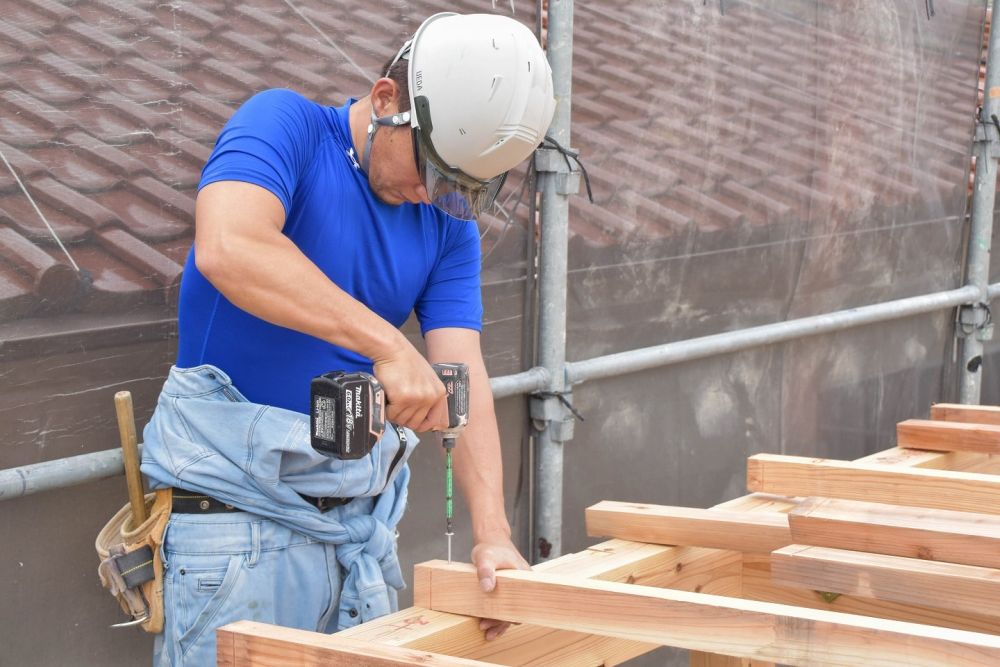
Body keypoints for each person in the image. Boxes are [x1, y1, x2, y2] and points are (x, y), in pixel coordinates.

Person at [138, 11, 555, 666]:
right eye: (433, 169)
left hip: (354, 532)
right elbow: (230, 245)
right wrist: (387, 345)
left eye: (460, 187)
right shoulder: (286, 128)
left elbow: (460, 375)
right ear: (386, 100)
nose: (433, 194)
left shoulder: (445, 223)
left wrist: (494, 533)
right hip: (235, 526)